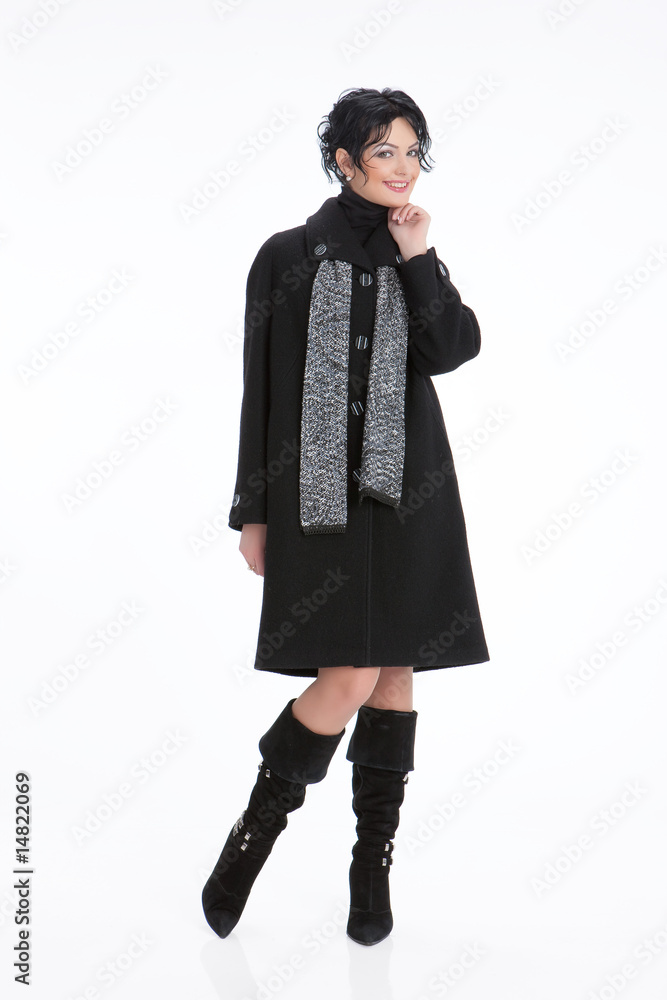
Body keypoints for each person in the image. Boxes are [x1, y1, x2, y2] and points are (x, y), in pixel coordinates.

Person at [202, 86, 490, 945]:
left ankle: (371, 866)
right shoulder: (286, 256)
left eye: (412, 152)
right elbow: (261, 389)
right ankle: (253, 835)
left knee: (394, 674)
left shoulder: (412, 249)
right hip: (315, 501)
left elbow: (451, 348)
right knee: (349, 676)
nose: (403, 168)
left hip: (411, 495)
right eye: (383, 152)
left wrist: (418, 256)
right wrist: (253, 513)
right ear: (342, 161)